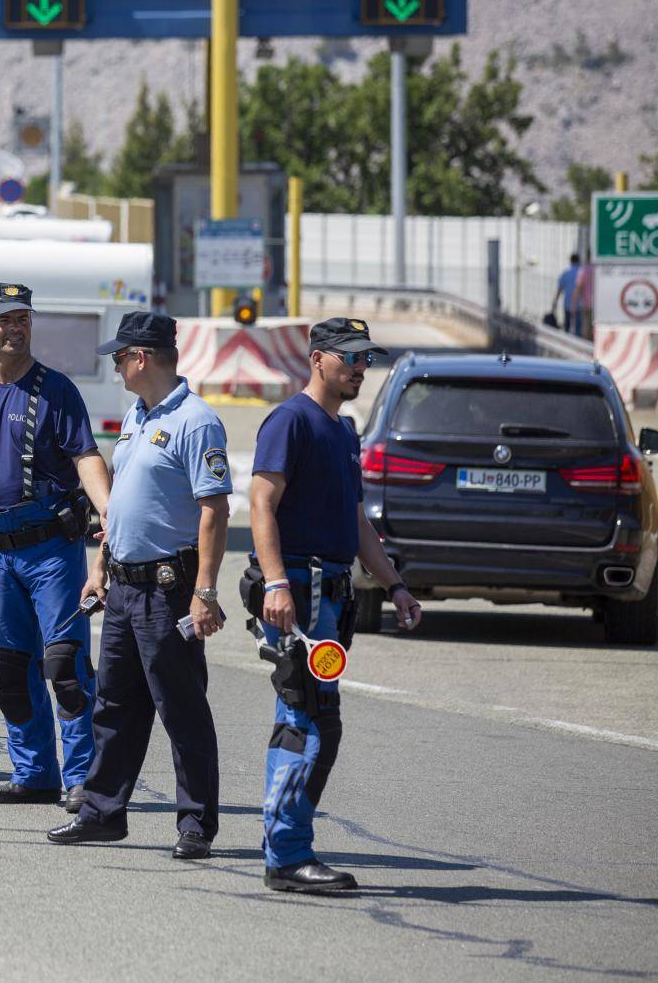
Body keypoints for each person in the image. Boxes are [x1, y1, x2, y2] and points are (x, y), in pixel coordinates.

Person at [249, 317, 422, 893]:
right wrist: (275, 583)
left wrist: (393, 585)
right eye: (349, 356)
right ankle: (288, 855)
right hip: (298, 594)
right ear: (317, 358)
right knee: (305, 719)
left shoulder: (344, 431)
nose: (359, 367)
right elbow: (261, 505)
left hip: (332, 597)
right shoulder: (289, 421)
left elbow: (354, 521)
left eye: (365, 358)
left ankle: (284, 838)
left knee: (323, 722)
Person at [47, 313, 229, 859]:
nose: (117, 365)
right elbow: (124, 499)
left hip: (169, 589)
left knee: (180, 708)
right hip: (126, 588)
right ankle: (102, 813)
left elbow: (214, 511)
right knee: (114, 706)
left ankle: (196, 825)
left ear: (142, 357)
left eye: (120, 356)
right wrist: (101, 568)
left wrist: (205, 592)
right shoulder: (136, 415)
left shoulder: (197, 423)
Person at [0, 283, 112, 812]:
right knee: (13, 668)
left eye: (23, 319)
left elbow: (86, 456)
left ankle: (83, 779)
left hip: (53, 551)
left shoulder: (57, 392)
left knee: (65, 664)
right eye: (5, 320)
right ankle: (33, 775)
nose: (16, 328)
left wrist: (109, 512)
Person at [552, 253, 582, 336]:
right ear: (579, 261)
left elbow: (559, 289)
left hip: (568, 303)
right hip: (579, 304)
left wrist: (555, 302)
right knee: (578, 327)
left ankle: (566, 341)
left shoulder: (566, 273)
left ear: (571, 261)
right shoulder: (582, 273)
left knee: (567, 325)